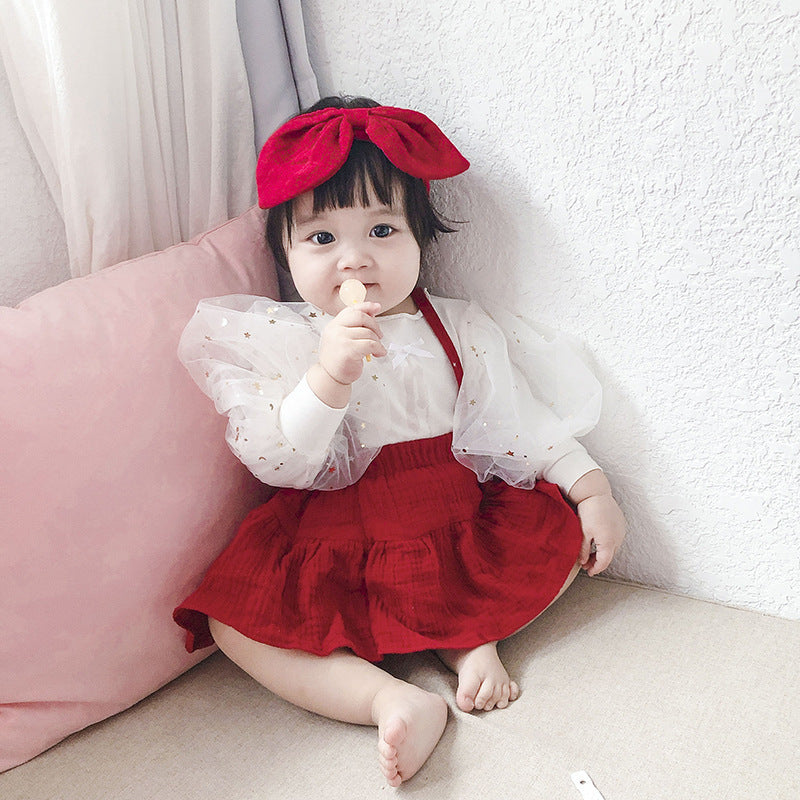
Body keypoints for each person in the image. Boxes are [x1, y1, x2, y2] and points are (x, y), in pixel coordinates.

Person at [173, 95, 626, 786]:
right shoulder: (288, 338)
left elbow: (519, 421)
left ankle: (469, 644)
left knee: (559, 537)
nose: (354, 260)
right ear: (285, 255)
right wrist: (328, 376)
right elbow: (283, 459)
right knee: (236, 623)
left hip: (454, 517)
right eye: (321, 239)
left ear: (421, 239)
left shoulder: (458, 326)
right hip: (340, 531)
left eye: (382, 230)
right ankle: (389, 698)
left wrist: (592, 490)